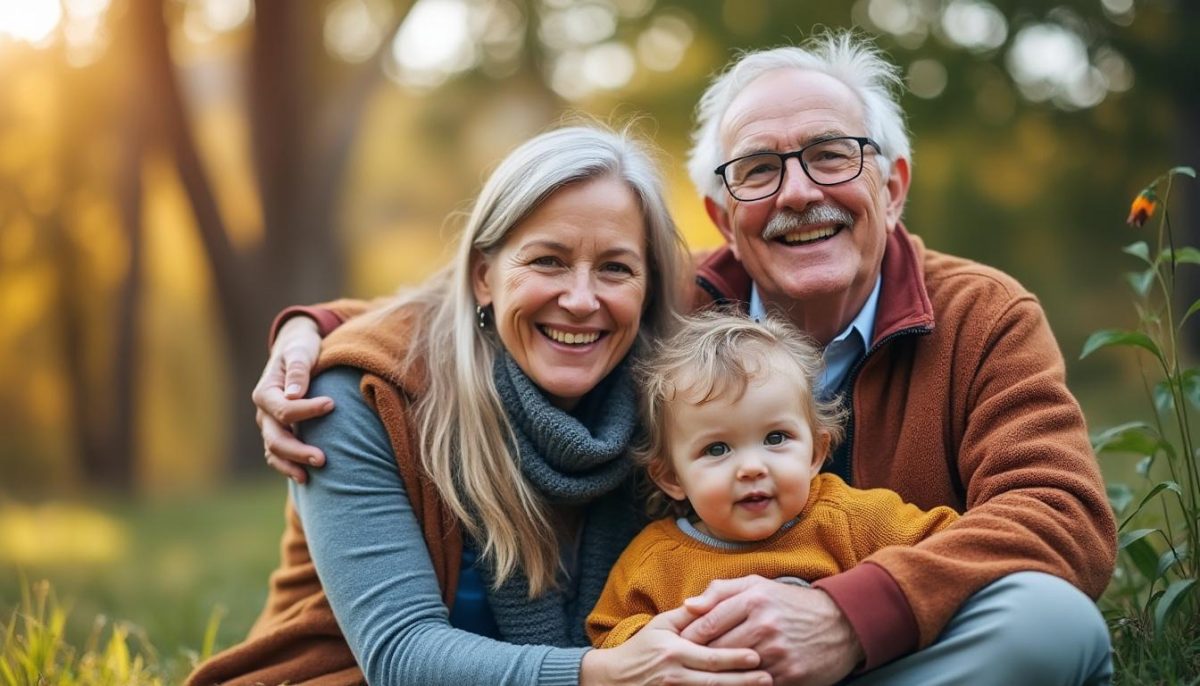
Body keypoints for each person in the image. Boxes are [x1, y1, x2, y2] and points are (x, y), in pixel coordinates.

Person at [252, 31, 1117, 685]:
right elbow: (468, 316)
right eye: (759, 170)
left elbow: (1060, 513)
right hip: (681, 664)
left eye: (830, 155)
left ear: (891, 184)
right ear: (717, 213)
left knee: (1052, 623)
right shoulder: (671, 316)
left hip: (877, 650)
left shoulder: (981, 315)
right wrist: (312, 329)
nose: (800, 192)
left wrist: (847, 619)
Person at [187, 125, 777, 686]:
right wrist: (602, 673)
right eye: (547, 260)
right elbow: (399, 653)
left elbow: (791, 262)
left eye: (615, 268)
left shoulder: (673, 385)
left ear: (650, 287)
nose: (580, 299)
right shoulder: (361, 398)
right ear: (483, 275)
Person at [585, 311, 960, 649]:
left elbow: (951, 550)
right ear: (671, 477)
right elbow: (608, 635)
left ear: (815, 453)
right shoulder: (655, 562)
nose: (751, 467)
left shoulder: (852, 519)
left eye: (775, 438)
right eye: (717, 449)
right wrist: (659, 644)